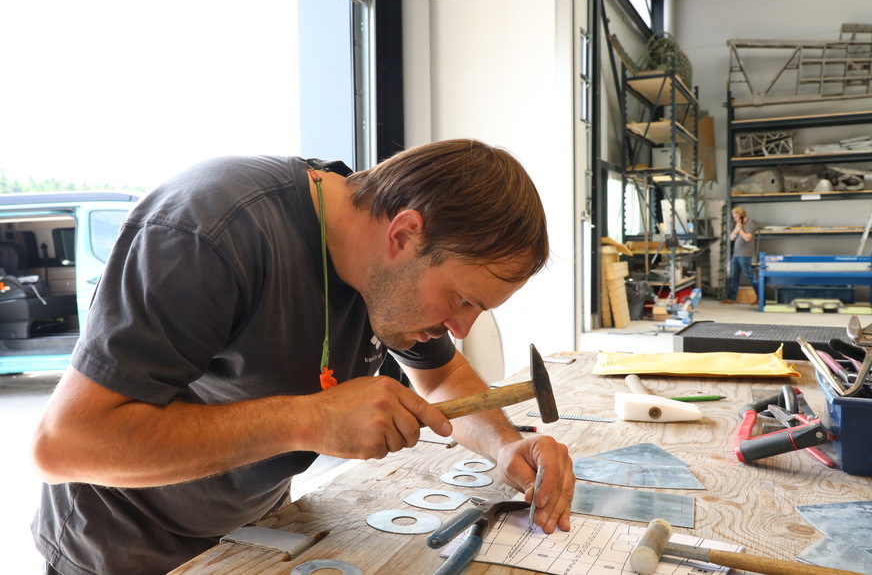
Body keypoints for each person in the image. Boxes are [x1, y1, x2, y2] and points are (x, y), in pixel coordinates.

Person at [29, 139, 575, 575]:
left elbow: (442, 375)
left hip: (257, 534)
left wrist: (504, 444)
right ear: (405, 234)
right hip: (125, 547)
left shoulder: (385, 269)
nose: (461, 327)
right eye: (461, 300)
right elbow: (65, 444)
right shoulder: (208, 231)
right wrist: (308, 420)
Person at [721, 205, 758, 304]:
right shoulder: (738, 224)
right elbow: (731, 237)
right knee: (734, 276)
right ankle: (732, 298)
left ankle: (760, 297)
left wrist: (740, 229)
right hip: (736, 254)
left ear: (742, 215)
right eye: (734, 217)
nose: (735, 219)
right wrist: (736, 228)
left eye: (736, 217)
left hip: (745, 254)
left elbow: (747, 238)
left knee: (748, 275)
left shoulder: (750, 224)